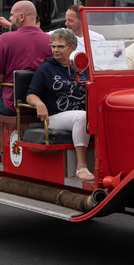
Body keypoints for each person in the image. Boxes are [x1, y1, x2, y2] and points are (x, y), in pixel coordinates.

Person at [0, 1, 52, 163]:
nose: (10, 18)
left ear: (21, 17)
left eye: (12, 15)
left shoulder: (6, 39)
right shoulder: (50, 40)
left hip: (13, 104)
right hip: (43, 104)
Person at [26, 29, 93, 181]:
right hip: (54, 117)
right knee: (82, 117)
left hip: (82, 114)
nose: (55, 50)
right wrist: (39, 104)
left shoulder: (83, 67)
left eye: (60, 46)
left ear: (73, 48)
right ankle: (81, 166)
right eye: (53, 46)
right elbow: (30, 94)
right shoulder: (46, 68)